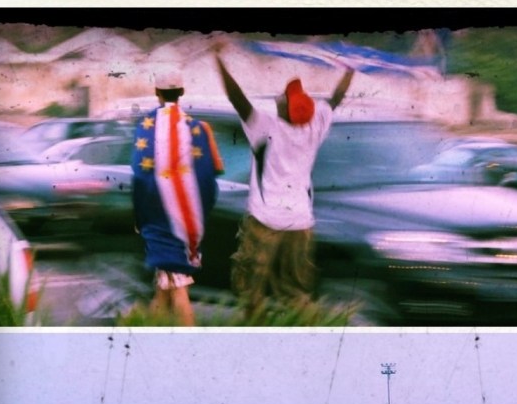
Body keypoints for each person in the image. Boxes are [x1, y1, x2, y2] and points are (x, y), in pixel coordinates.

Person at [215, 51, 354, 319]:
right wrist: (351, 70)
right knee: (296, 292)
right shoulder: (315, 127)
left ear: (286, 110)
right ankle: (308, 331)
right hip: (300, 222)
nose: (279, 96)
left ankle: (255, 329)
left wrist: (218, 58)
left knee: (250, 290)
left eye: (283, 97)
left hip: (265, 221)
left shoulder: (265, 127)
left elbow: (235, 97)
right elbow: (336, 98)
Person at [131, 69, 224, 325]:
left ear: (156, 92)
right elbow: (211, 176)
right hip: (187, 222)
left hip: (158, 223)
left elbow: (140, 178)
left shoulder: (145, 128)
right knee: (166, 286)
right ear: (182, 92)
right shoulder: (200, 129)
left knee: (176, 287)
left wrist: (141, 218)